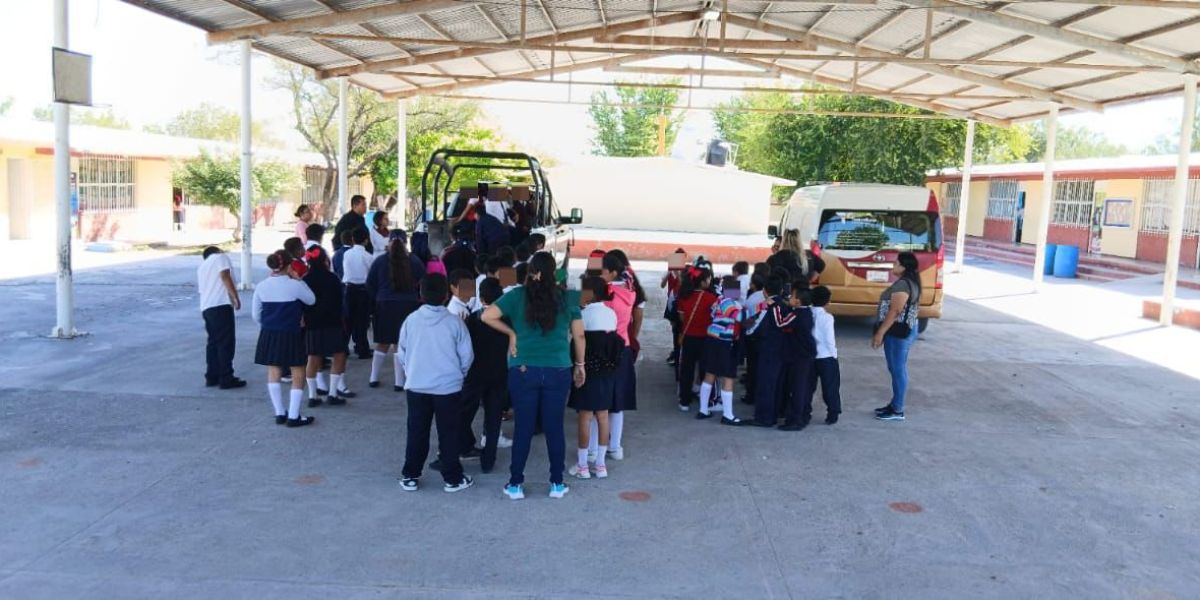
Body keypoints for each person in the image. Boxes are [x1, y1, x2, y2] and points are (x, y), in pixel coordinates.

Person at [482, 252, 585, 501]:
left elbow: (487, 316)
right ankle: (557, 484)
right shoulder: (568, 298)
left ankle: (515, 483)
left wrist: (512, 334)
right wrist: (580, 365)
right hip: (558, 370)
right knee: (554, 428)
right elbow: (579, 336)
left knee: (523, 429)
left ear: (530, 272)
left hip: (523, 370)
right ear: (555, 273)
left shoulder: (516, 296)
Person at [397, 273, 475, 493]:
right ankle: (452, 478)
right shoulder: (455, 322)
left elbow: (401, 352)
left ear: (420, 294)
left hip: (417, 385)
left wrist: (411, 371)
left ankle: (410, 475)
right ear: (446, 295)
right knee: (449, 433)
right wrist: (457, 375)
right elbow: (467, 356)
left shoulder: (411, 320)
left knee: (416, 431)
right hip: (448, 388)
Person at [252, 250, 317, 428]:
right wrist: (299, 279)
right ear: (289, 266)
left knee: (274, 370)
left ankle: (280, 413)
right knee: (298, 371)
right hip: (291, 331)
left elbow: (256, 314)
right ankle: (294, 415)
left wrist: (268, 325)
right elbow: (311, 300)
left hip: (269, 332)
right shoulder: (294, 285)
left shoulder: (262, 286)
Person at [570, 276, 621, 480]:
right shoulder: (611, 314)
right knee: (603, 416)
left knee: (585, 416)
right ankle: (600, 465)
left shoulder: (582, 315)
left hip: (586, 371)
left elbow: (576, 342)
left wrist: (577, 367)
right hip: (607, 373)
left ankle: (583, 465)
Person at [460, 277, 512, 474]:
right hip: (499, 373)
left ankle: (463, 444)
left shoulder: (472, 318)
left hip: (475, 373)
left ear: (481, 298)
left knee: (464, 413)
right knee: (493, 417)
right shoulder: (507, 319)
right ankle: (488, 460)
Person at [749, 276, 814, 430]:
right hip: (789, 352)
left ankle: (768, 417)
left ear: (764, 291)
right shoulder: (795, 308)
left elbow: (747, 319)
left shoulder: (771, 305)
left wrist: (768, 305)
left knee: (771, 384)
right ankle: (781, 413)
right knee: (781, 385)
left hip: (777, 351)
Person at [366, 233, 426, 390]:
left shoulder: (380, 260)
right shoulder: (413, 260)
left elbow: (370, 283)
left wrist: (377, 298)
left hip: (384, 304)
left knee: (382, 343)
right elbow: (423, 279)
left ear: (389, 242)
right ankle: (399, 382)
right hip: (408, 304)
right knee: (400, 343)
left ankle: (373, 377)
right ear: (406, 243)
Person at [872, 251, 921, 422]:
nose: (893, 265)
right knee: (896, 368)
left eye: (896, 263)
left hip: (897, 331)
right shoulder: (911, 282)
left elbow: (895, 310)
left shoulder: (903, 285)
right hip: (905, 329)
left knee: (897, 369)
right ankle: (894, 404)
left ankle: (898, 409)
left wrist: (880, 332)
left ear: (904, 267)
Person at [302, 247, 351, 407]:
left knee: (313, 357)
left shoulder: (305, 279)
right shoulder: (333, 278)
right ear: (325, 260)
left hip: (313, 323)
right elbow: (340, 300)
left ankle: (312, 395)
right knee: (339, 355)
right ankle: (332, 393)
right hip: (333, 322)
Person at [697, 275, 748, 425]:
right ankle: (728, 415)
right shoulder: (728, 303)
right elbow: (741, 317)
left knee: (710, 374)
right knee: (728, 377)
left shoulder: (718, 301)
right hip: (724, 343)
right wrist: (762, 306)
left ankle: (703, 409)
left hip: (712, 341)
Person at [198, 246, 245, 389]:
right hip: (221, 305)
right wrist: (235, 297)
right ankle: (226, 377)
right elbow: (225, 275)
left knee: (213, 343)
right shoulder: (220, 257)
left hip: (207, 308)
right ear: (217, 251)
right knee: (226, 343)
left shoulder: (202, 267)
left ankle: (212, 376)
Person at [674, 266, 717, 412]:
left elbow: (681, 318)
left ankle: (684, 401)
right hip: (706, 338)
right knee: (706, 370)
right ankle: (707, 402)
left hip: (689, 337)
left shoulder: (683, 296)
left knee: (687, 369)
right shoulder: (712, 298)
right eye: (708, 279)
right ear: (703, 282)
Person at [342, 227, 375, 360]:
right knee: (362, 321)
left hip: (349, 289)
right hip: (362, 290)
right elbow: (371, 274)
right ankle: (362, 349)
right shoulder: (368, 256)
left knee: (348, 320)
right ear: (366, 241)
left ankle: (343, 348)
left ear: (353, 240)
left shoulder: (347, 254)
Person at [810, 286, 841, 425]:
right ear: (828, 301)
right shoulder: (827, 317)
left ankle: (805, 410)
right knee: (830, 386)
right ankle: (832, 413)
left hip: (810, 357)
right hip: (826, 356)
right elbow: (830, 339)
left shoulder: (806, 314)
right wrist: (834, 354)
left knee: (808, 386)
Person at [740, 269, 771, 405]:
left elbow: (742, 314)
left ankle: (750, 395)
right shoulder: (772, 298)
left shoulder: (752, 297)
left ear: (753, 285)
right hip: (767, 340)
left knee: (752, 368)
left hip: (752, 337)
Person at [660, 247, 687, 366]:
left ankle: (679, 352)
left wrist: (678, 273)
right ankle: (676, 351)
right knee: (675, 329)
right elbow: (662, 285)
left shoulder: (685, 271)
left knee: (680, 329)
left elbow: (683, 284)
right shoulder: (670, 271)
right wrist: (669, 272)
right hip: (672, 302)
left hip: (680, 302)